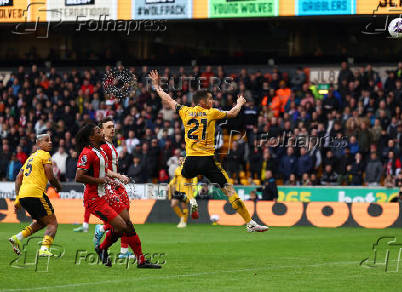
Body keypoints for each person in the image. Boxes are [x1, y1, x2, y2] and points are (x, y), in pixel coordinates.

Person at [150, 70, 267, 232]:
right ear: (203, 101)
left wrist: (156, 86)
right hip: (207, 160)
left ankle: (190, 198)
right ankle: (249, 222)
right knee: (229, 190)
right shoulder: (211, 113)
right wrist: (240, 103)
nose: (212, 101)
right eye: (211, 98)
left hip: (190, 158)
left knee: (184, 176)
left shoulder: (184, 111)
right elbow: (233, 113)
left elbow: (168, 99)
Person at [75, 123, 161, 269]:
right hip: (94, 198)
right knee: (121, 227)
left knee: (128, 224)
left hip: (107, 193)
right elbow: (79, 177)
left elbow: (104, 170)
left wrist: (111, 177)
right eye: (98, 131)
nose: (102, 133)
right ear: (91, 137)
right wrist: (100, 180)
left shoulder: (100, 150)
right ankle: (102, 248)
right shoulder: (87, 153)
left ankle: (141, 261)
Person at [8, 133, 62, 257]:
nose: (50, 142)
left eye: (50, 140)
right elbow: (50, 176)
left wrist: (17, 199)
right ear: (39, 144)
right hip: (36, 193)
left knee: (41, 221)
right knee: (53, 222)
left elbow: (18, 178)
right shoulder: (45, 155)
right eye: (46, 140)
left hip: (24, 196)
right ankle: (44, 249)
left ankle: (17, 238)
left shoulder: (30, 158)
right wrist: (58, 186)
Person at [168, 157, 198, 228]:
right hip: (178, 191)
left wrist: (194, 186)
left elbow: (194, 178)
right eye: (180, 160)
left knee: (184, 206)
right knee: (173, 204)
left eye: (182, 160)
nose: (181, 161)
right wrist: (169, 184)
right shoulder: (177, 169)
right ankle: (182, 217)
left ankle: (184, 222)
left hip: (186, 191)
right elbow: (175, 179)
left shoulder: (189, 169)